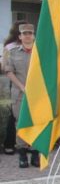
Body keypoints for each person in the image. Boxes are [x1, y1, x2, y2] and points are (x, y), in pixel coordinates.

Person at [1, 22, 38, 167]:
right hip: (19, 94)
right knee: (21, 123)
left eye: (30, 33)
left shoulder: (40, 52)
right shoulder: (13, 51)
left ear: (33, 35)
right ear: (20, 36)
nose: (28, 36)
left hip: (38, 94)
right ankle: (22, 154)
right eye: (25, 34)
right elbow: (9, 71)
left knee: (36, 123)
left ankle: (35, 154)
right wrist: (22, 87)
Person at [2, 21, 26, 155]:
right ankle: (9, 143)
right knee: (14, 115)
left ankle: (26, 144)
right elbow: (4, 66)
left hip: (29, 84)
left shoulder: (31, 47)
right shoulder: (9, 47)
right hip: (16, 83)